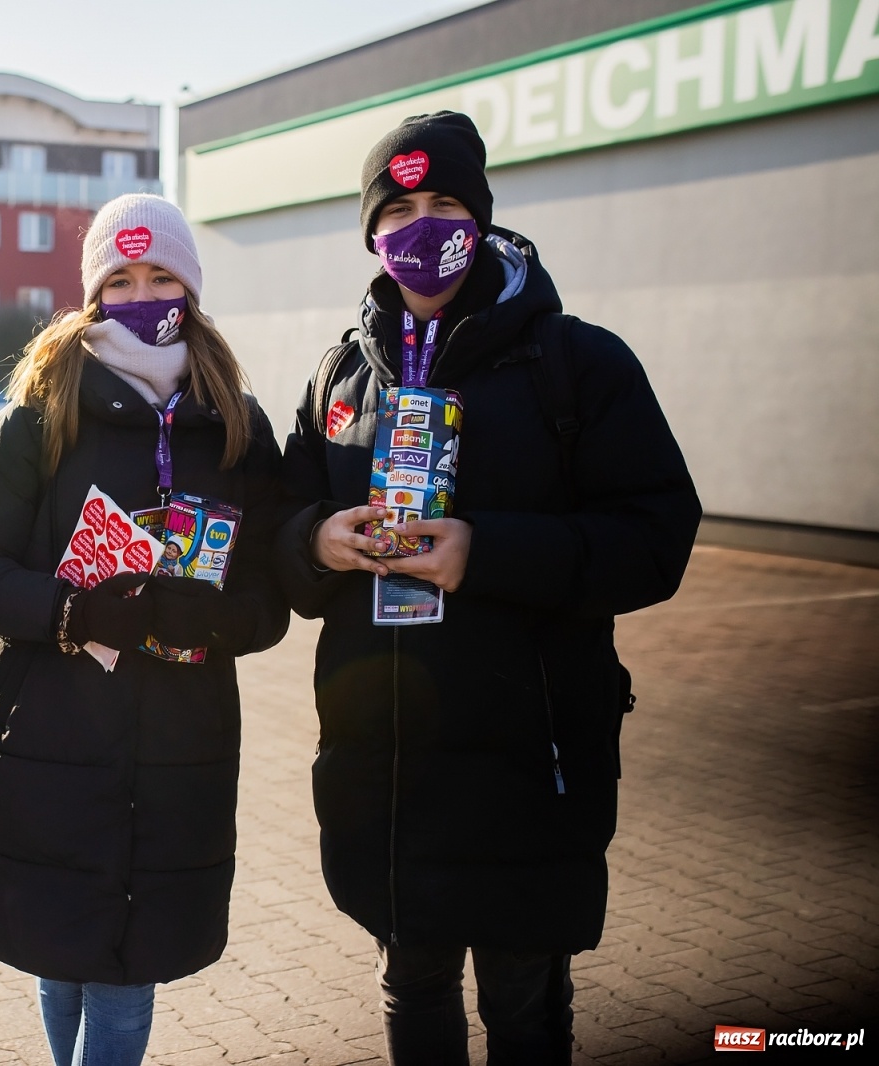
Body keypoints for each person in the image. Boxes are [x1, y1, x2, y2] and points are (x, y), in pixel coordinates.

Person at [276, 112, 701, 1064]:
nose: (422, 228)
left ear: (483, 217)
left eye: (445, 204)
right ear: (372, 234)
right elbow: (281, 533)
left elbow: (657, 536)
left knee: (523, 1008)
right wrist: (317, 539)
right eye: (399, 210)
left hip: (528, 768)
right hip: (383, 769)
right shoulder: (341, 377)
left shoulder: (577, 364)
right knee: (412, 991)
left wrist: (486, 552)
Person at [0, 194, 291, 1066]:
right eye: (121, 278)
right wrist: (70, 611)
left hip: (180, 744)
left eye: (161, 274)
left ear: (191, 288)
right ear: (92, 293)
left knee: (129, 973)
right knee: (60, 959)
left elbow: (271, 595)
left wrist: (204, 618)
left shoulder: (236, 425)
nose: (142, 292)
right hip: (49, 733)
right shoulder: (36, 416)